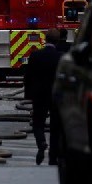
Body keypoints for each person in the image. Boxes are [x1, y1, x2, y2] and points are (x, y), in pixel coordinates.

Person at [24, 29, 63, 165]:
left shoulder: (35, 55)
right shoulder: (61, 57)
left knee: (38, 123)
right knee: (55, 126)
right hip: (57, 96)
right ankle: (53, 158)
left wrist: (28, 95)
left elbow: (28, 77)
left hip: (39, 95)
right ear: (57, 41)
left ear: (45, 39)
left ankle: (41, 142)